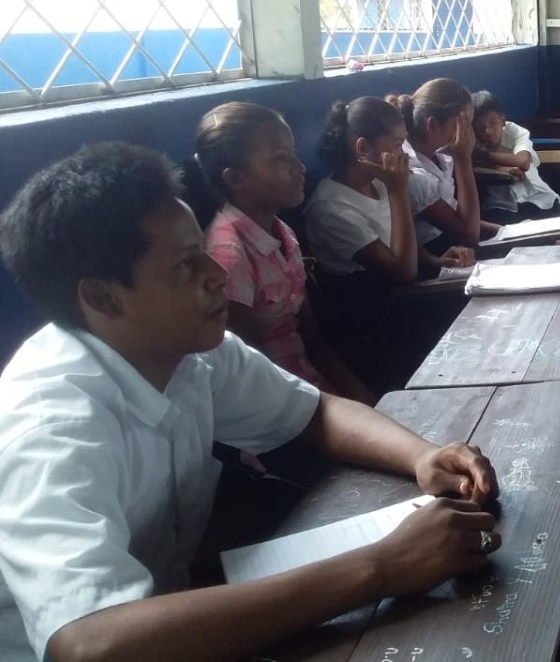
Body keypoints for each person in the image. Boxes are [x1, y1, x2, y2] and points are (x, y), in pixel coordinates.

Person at [0, 141, 499, 662]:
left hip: (170, 617)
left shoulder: (187, 350)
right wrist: (381, 567)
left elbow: (317, 411)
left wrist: (419, 455)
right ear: (103, 297)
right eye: (187, 267)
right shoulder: (50, 427)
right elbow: (90, 644)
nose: (217, 276)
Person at [195, 101, 374, 404]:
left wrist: (366, 403)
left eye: (294, 154)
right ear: (236, 179)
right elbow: (247, 373)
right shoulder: (228, 256)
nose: (300, 168)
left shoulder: (280, 232)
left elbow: (313, 341)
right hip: (280, 414)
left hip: (313, 392)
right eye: (281, 159)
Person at [304, 97, 473, 389]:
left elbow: (397, 242)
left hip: (409, 297)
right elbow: (401, 271)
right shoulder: (330, 207)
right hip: (382, 318)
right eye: (396, 146)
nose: (403, 155)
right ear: (363, 148)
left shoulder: (379, 184)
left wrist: (435, 260)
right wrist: (398, 192)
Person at [386, 79, 500, 261]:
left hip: (453, 246)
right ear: (432, 126)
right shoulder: (411, 172)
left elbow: (459, 216)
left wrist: (508, 231)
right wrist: (463, 159)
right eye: (462, 125)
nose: (468, 134)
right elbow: (469, 234)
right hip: (435, 255)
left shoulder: (439, 156)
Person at [471, 89, 560, 224]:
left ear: (502, 120)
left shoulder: (514, 131)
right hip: (501, 207)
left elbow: (523, 162)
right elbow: (465, 162)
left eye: (493, 123)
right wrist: (499, 167)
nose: (488, 131)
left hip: (539, 199)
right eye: (481, 127)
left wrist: (480, 155)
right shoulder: (471, 139)